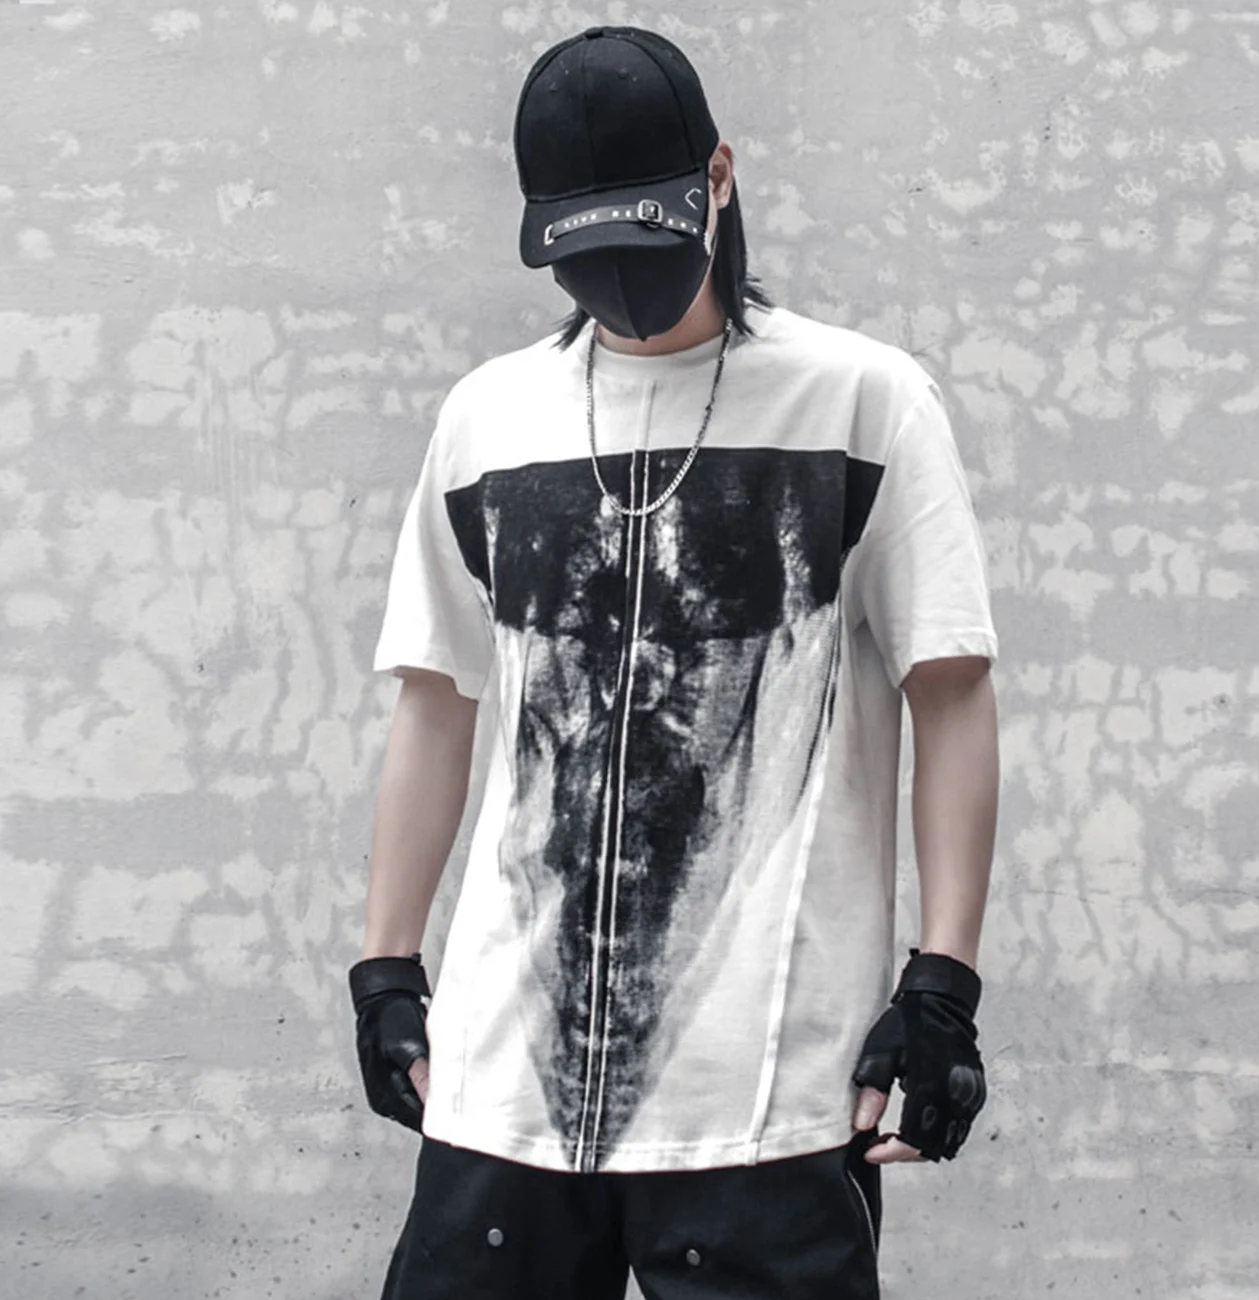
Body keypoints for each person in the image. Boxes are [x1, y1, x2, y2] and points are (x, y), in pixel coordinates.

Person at [349, 24, 1000, 1300]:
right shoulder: (488, 418)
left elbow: (951, 691)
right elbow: (435, 696)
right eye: (582, 247)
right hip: (502, 1085)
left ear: (719, 176)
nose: (619, 276)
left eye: (642, 232)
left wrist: (943, 984)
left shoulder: (861, 403)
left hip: (764, 1087)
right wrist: (384, 967)